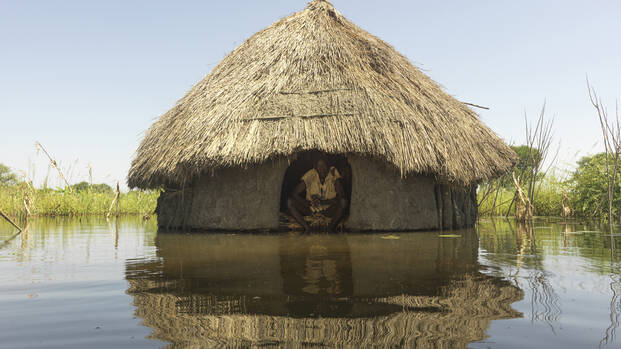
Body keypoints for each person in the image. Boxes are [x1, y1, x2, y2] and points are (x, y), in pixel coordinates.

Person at [287, 159, 348, 233]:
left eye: (324, 165)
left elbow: (341, 196)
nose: (322, 168)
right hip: (311, 210)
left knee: (343, 202)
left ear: (328, 166)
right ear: (315, 167)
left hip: (328, 211)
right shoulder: (311, 175)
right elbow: (294, 193)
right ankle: (307, 228)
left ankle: (330, 228)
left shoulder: (333, 174)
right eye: (319, 166)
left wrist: (323, 202)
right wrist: (309, 203)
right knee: (290, 202)